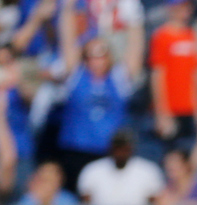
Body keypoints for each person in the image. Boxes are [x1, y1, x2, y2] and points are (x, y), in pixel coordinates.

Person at [56, 4, 145, 186]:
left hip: (108, 153)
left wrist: (135, 21)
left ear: (109, 56)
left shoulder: (118, 79)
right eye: (91, 55)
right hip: (76, 151)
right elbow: (67, 41)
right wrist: (67, 9)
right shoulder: (76, 76)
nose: (97, 60)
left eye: (101, 54)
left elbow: (135, 53)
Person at [77, 131, 164, 205]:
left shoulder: (148, 170)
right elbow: (86, 204)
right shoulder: (93, 169)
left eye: (125, 148)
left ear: (131, 148)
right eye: (117, 147)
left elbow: (155, 203)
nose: (121, 152)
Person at [150, 0, 197, 153]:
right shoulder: (161, 36)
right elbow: (157, 76)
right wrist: (162, 113)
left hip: (189, 108)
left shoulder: (191, 35)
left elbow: (195, 76)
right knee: (170, 155)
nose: (186, 11)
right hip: (171, 109)